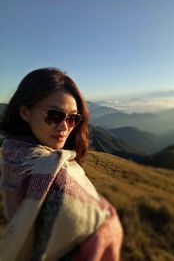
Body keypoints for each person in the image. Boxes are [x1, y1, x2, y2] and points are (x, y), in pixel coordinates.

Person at [0, 68, 123, 261]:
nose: (65, 127)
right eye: (54, 115)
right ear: (25, 112)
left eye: (73, 118)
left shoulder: (11, 153)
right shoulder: (55, 177)